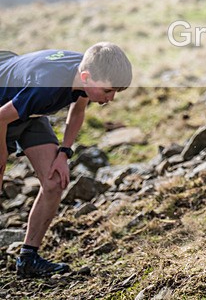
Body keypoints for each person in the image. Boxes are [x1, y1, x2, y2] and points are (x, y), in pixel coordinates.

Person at [0, 43, 133, 278]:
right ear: (86, 77)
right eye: (108, 91)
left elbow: (78, 110)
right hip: (5, 109)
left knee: (54, 182)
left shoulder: (87, 71)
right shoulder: (47, 88)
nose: (111, 98)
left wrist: (64, 153)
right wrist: (2, 152)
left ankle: (28, 260)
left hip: (29, 111)